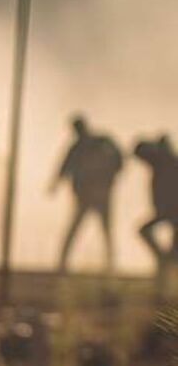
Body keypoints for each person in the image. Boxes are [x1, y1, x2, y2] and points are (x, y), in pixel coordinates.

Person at [51, 115, 124, 274]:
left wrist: (111, 175)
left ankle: (109, 265)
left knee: (101, 230)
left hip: (98, 193)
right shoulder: (83, 146)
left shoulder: (100, 142)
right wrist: (55, 184)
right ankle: (63, 263)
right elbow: (64, 167)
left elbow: (119, 158)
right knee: (88, 229)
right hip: (89, 195)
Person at [134, 134, 178, 300]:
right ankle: (163, 290)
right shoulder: (161, 163)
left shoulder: (168, 163)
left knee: (172, 255)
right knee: (169, 254)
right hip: (168, 214)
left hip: (173, 214)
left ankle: (164, 292)